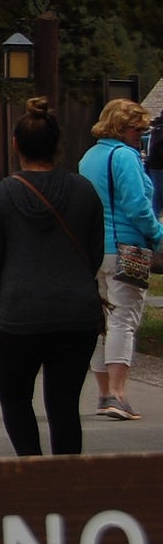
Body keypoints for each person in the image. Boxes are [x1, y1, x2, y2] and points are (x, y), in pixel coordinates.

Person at [0, 98, 105, 455]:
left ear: (15, 144)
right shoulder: (83, 191)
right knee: (65, 403)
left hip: (19, 310)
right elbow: (94, 251)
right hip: (77, 312)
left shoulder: (1, 196)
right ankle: (64, 474)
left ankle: (31, 468)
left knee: (16, 397)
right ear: (57, 145)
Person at [79, 97, 163, 420]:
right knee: (123, 320)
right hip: (127, 247)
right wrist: (157, 234)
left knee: (102, 323)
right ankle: (118, 394)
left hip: (95, 249)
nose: (140, 136)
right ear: (121, 128)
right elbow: (137, 205)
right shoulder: (124, 156)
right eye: (136, 130)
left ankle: (103, 393)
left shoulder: (89, 157)